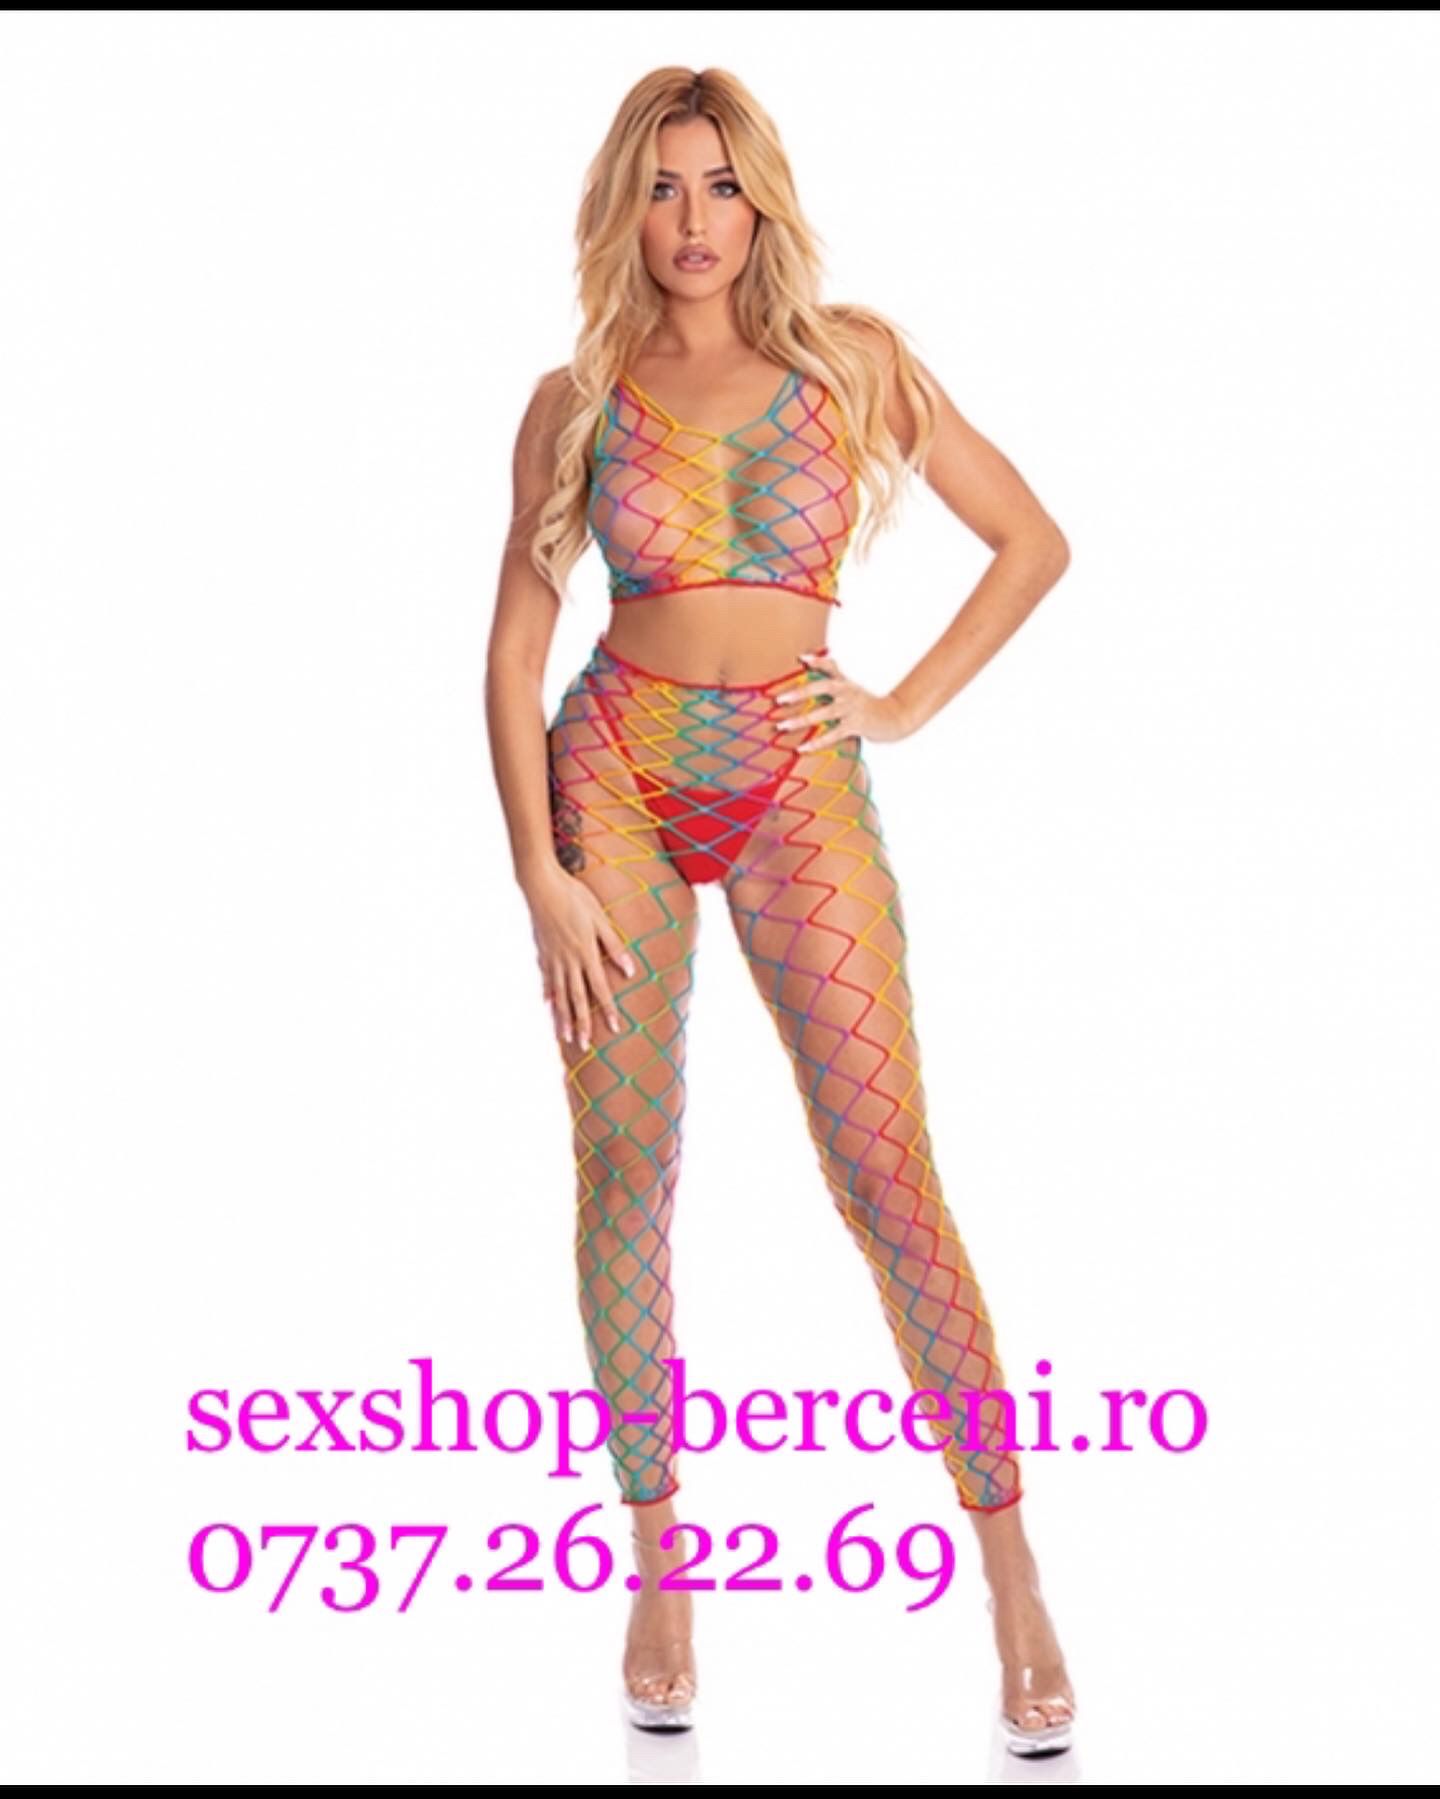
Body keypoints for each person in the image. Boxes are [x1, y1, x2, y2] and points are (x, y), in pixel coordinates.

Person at [485, 66, 1076, 1757]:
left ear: (763, 201)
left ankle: (1014, 1574)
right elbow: (515, 653)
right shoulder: (577, 398)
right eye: (664, 187)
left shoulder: (855, 364)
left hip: (796, 768)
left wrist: (899, 706)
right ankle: (660, 1568)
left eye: (722, 186)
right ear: (627, 205)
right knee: (627, 1167)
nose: (694, 221)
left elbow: (1030, 542)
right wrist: (540, 875)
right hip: (613, 771)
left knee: (888, 1175)